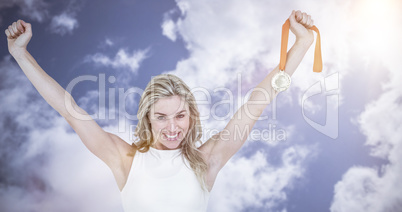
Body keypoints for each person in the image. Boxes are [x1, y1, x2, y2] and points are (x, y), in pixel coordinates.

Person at [5, 10, 316, 212]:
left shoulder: (207, 161)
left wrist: (301, 44)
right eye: (161, 117)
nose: (172, 127)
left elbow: (257, 102)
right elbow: (69, 109)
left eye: (180, 115)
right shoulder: (125, 159)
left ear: (192, 117)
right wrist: (20, 55)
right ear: (147, 120)